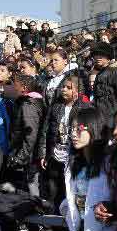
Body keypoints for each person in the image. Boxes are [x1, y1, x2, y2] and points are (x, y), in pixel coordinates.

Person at [38, 74, 85, 213]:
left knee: (70, 190)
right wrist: (43, 153)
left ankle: (70, 222)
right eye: (63, 87)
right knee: (53, 190)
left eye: (68, 87)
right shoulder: (56, 106)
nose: (64, 90)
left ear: (77, 90)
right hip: (55, 154)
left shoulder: (82, 108)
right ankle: (54, 222)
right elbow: (45, 130)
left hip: (72, 156)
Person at [5, 74, 45, 196]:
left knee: (32, 189)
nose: (13, 88)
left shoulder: (29, 105)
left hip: (29, 158)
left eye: (15, 86)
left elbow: (30, 134)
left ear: (24, 88)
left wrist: (20, 157)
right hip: (27, 155)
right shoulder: (26, 103)